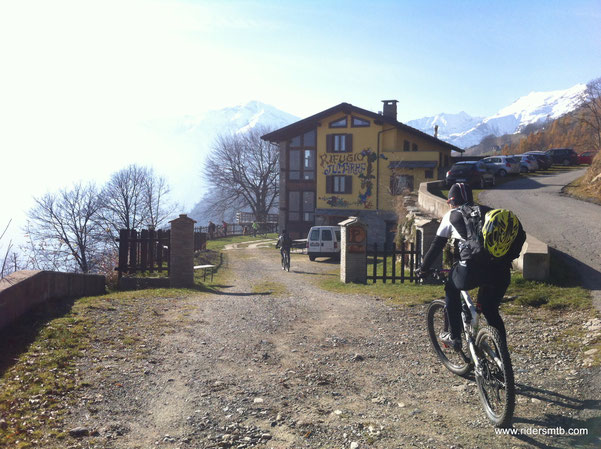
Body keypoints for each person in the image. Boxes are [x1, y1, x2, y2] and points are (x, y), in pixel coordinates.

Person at [416, 182, 525, 350]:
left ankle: (454, 336)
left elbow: (436, 246)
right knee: (490, 310)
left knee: (451, 288)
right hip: (501, 270)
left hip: (471, 271)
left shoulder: (452, 215)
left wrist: (423, 269)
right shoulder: (487, 211)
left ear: (451, 201)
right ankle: (502, 355)